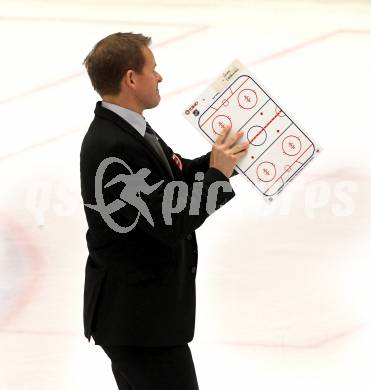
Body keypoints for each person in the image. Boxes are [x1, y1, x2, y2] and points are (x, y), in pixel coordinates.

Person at [80, 32, 249, 390]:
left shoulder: (129, 130)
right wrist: (217, 174)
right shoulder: (112, 147)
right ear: (130, 78)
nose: (159, 77)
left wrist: (219, 159)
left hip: (145, 319)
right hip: (137, 322)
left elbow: (175, 175)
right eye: (153, 69)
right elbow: (169, 219)